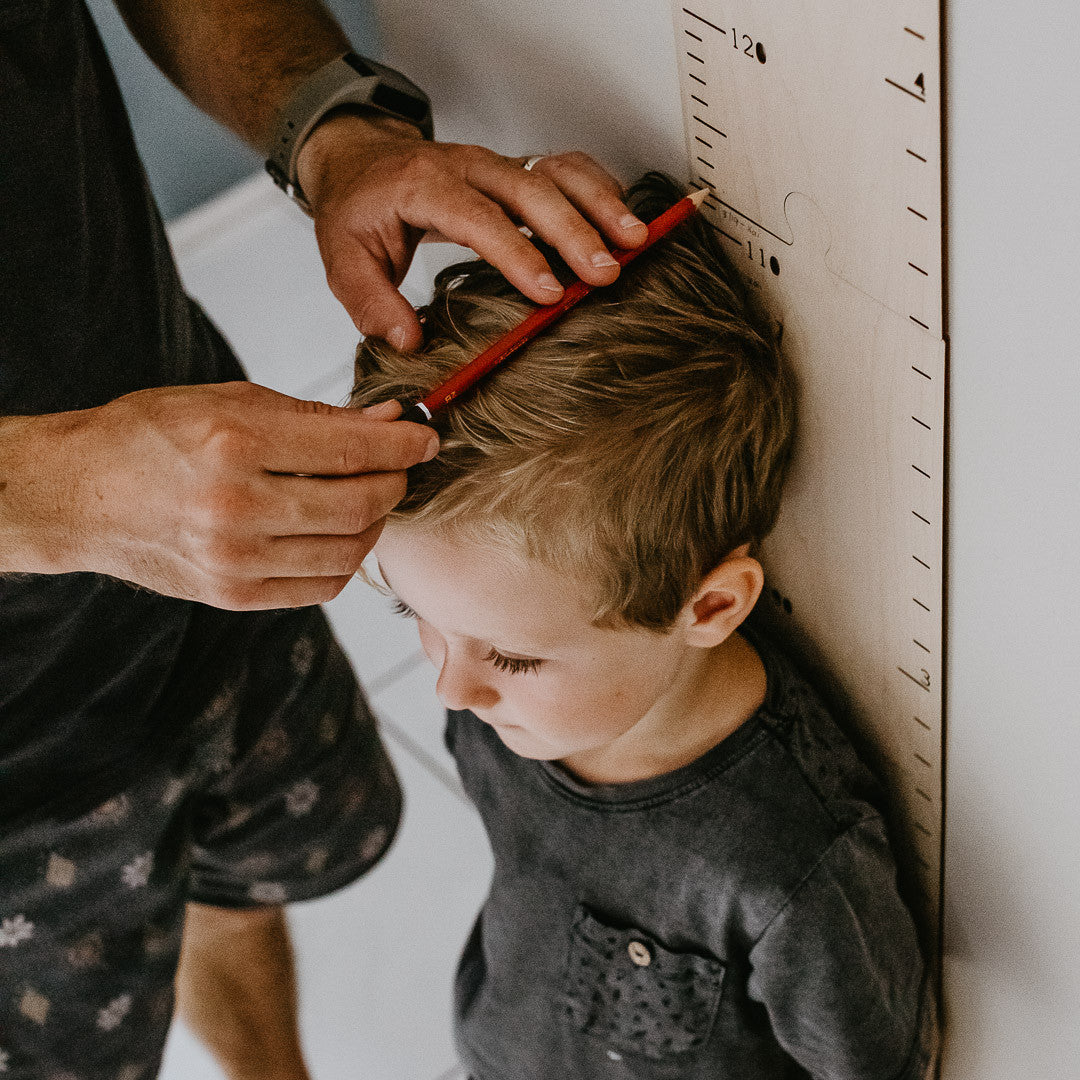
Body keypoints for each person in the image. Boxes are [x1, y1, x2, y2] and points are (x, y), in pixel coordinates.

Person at [0, 2, 648, 1078]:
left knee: (235, 883)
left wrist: (333, 127)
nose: (443, 698)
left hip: (200, 524)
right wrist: (49, 494)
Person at [353, 172, 937, 1079]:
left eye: (510, 654)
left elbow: (875, 1066)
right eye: (416, 616)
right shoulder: (504, 722)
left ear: (707, 607)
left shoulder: (787, 867)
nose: (451, 689)